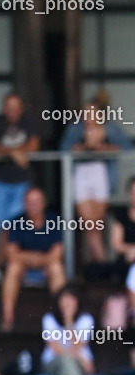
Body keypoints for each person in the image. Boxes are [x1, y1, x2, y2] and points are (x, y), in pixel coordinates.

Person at [60, 101, 132, 269]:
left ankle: (97, 269)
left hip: (102, 173)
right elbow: (63, 148)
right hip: (81, 173)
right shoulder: (75, 129)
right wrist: (84, 146)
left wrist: (103, 147)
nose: (88, 118)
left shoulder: (110, 128)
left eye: (92, 113)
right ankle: (104, 265)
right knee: (89, 226)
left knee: (96, 225)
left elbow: (126, 146)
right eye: (85, 114)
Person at [0, 92, 39, 283]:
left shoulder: (28, 120)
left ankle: (0, 266)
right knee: (2, 228)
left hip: (21, 182)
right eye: (9, 107)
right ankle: (6, 266)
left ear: (21, 108)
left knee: (13, 226)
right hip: (0, 181)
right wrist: (14, 153)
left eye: (15, 107)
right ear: (3, 108)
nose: (12, 111)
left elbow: (34, 145)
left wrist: (10, 151)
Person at [0, 186, 66, 331]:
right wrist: (38, 259)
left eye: (37, 201)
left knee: (56, 268)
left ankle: (61, 318)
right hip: (24, 269)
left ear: (44, 203)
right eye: (30, 202)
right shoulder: (17, 221)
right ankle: (8, 318)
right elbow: (11, 254)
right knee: (13, 268)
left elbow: (58, 253)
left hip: (46, 269)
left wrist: (32, 259)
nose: (33, 205)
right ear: (24, 204)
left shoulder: (53, 220)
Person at [41, 286, 95, 375]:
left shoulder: (86, 319)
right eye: (63, 299)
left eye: (70, 299)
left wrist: (69, 322)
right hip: (54, 362)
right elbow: (55, 348)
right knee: (66, 361)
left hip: (79, 364)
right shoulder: (49, 319)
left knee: (68, 367)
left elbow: (77, 345)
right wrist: (82, 360)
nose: (66, 303)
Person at [109, 176, 135, 285]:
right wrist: (132, 250)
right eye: (133, 192)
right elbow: (116, 244)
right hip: (127, 260)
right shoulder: (121, 215)